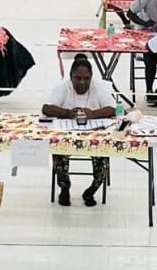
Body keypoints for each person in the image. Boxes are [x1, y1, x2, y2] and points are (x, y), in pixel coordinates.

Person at [42, 54, 117, 207]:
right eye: (77, 78)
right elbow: (46, 108)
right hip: (68, 133)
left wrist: (94, 114)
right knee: (59, 150)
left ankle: (92, 190)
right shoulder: (64, 86)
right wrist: (67, 113)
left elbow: (114, 108)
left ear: (91, 77)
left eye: (86, 78)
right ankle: (64, 188)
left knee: (103, 156)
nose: (82, 82)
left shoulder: (99, 86)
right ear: (71, 77)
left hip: (95, 135)